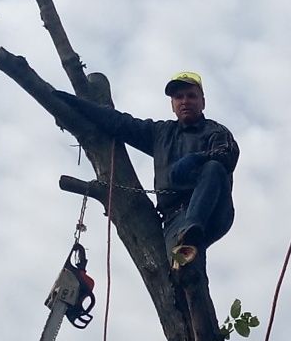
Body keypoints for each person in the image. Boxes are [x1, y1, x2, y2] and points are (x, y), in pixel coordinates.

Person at [55, 71, 238, 251]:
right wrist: (73, 103)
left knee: (213, 167)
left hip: (214, 210)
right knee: (182, 265)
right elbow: (120, 122)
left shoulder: (215, 131)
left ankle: (192, 229)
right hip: (174, 217)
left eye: (191, 96)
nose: (185, 101)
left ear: (202, 102)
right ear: (172, 105)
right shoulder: (161, 133)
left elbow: (227, 155)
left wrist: (196, 159)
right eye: (179, 97)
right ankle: (187, 244)